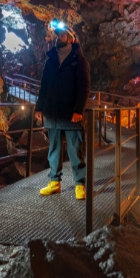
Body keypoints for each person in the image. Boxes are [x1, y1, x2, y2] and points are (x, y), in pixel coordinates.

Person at [34, 22, 91, 200]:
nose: (58, 38)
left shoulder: (78, 61)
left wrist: (78, 110)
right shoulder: (50, 60)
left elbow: (84, 87)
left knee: (75, 150)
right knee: (54, 149)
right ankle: (54, 183)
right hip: (52, 111)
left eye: (62, 36)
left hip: (71, 113)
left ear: (71, 39)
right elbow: (44, 86)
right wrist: (39, 107)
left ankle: (80, 184)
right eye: (57, 36)